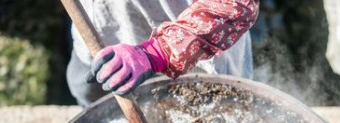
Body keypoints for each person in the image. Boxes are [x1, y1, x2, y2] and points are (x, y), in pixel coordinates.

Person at [67, 0, 260, 108]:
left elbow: (234, 5)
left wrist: (156, 52)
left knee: (213, 121)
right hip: (100, 30)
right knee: (88, 93)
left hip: (196, 47)